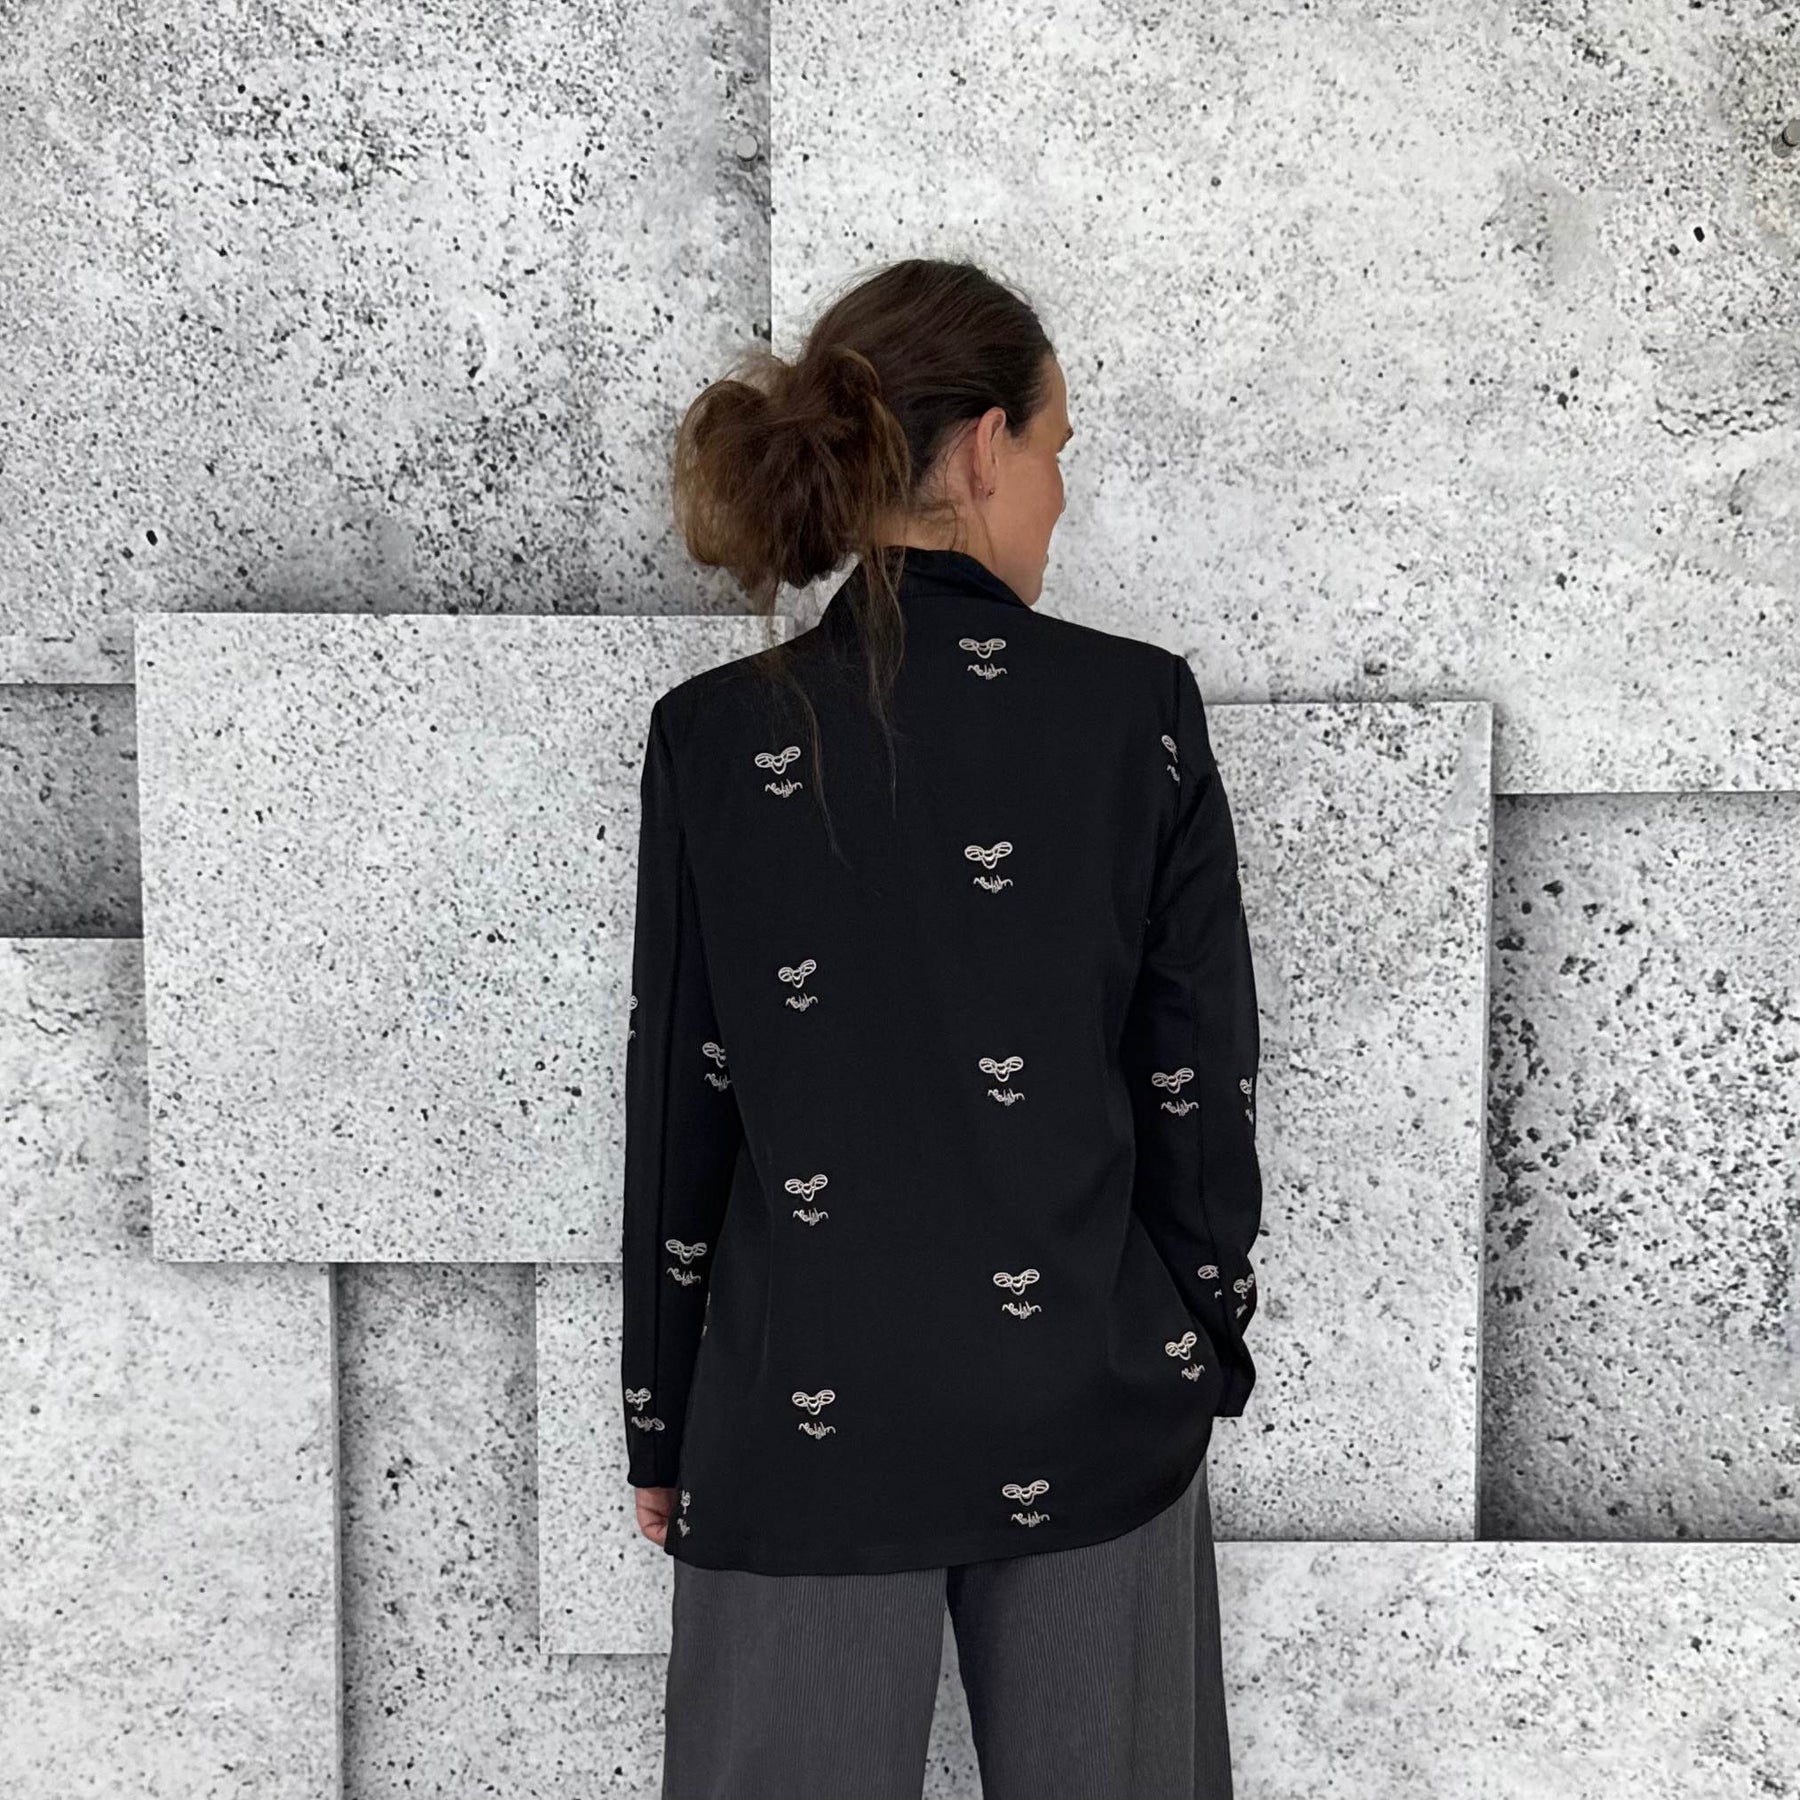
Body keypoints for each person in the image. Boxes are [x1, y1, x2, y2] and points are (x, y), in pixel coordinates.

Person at [619, 256, 1264, 1800]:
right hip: (1092, 1400)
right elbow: (1197, 1078)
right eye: (1055, 450)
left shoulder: (715, 736)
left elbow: (684, 1100)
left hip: (799, 1418)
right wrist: (1198, 1342)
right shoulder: (1136, 713)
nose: (1059, 497)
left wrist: (664, 1415)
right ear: (983, 450)